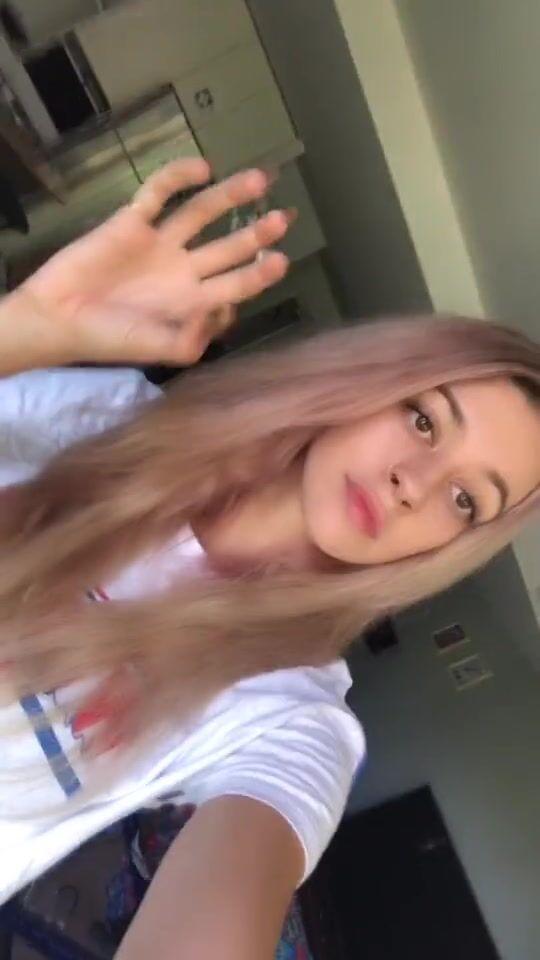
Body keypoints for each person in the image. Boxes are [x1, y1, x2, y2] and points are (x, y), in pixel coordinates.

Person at [0, 159, 538, 960]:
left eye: (465, 500)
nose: (415, 484)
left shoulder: (296, 722)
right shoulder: (106, 414)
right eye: (424, 420)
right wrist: (33, 325)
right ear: (367, 381)